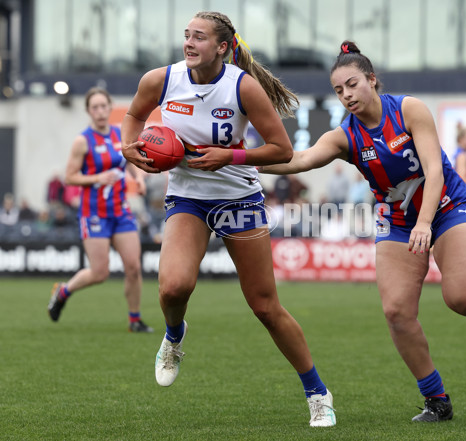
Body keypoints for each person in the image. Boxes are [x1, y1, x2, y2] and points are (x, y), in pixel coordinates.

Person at [261, 41, 466, 423]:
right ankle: (437, 400)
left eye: (352, 84)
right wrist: (245, 164)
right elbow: (299, 159)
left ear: (372, 79)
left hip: (448, 207)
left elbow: (434, 171)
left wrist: (425, 222)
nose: (346, 95)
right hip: (398, 221)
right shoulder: (345, 137)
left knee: (463, 298)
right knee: (397, 312)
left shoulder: (409, 110)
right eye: (338, 90)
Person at [119, 11, 335, 427]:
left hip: (238, 197)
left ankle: (317, 393)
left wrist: (229, 156)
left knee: (265, 307)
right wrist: (131, 149)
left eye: (198, 37)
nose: (188, 43)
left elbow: (282, 150)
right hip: (188, 198)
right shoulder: (161, 80)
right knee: (173, 288)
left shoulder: (242, 87)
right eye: (186, 35)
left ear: (222, 47)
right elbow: (133, 116)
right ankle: (175, 335)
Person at [47, 87, 153, 334]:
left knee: (134, 267)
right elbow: (70, 177)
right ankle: (63, 291)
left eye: (104, 106)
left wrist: (140, 178)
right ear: (88, 111)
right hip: (94, 212)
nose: (100, 111)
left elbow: (131, 162)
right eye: (95, 107)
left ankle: (134, 320)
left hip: (121, 210)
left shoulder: (120, 134)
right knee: (99, 272)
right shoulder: (82, 141)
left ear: (110, 107)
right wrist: (97, 178)